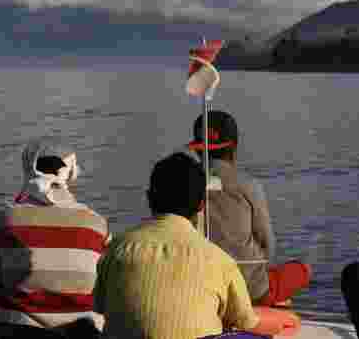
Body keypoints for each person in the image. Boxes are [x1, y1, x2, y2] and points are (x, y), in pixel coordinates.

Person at [93, 152, 294, 339]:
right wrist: (287, 320)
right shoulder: (219, 260)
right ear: (201, 205)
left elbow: (100, 307)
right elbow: (249, 324)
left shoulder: (117, 249)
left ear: (149, 198)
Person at [0, 138, 111, 334]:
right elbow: (107, 275)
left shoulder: (1, 219)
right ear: (70, 173)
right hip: (84, 327)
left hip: (17, 326)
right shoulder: (98, 224)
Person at [187, 109, 312, 307]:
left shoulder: (185, 184)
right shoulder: (248, 184)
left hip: (201, 287)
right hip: (251, 290)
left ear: (196, 149)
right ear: (234, 148)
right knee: (302, 270)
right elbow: (267, 244)